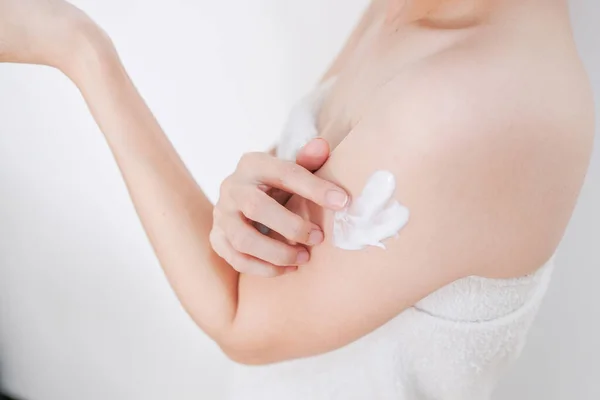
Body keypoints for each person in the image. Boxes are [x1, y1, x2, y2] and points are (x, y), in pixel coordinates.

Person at [0, 0, 594, 399]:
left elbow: (238, 318)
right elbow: (270, 235)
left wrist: (81, 52)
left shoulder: (472, 104)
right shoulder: (417, 9)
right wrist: (244, 212)